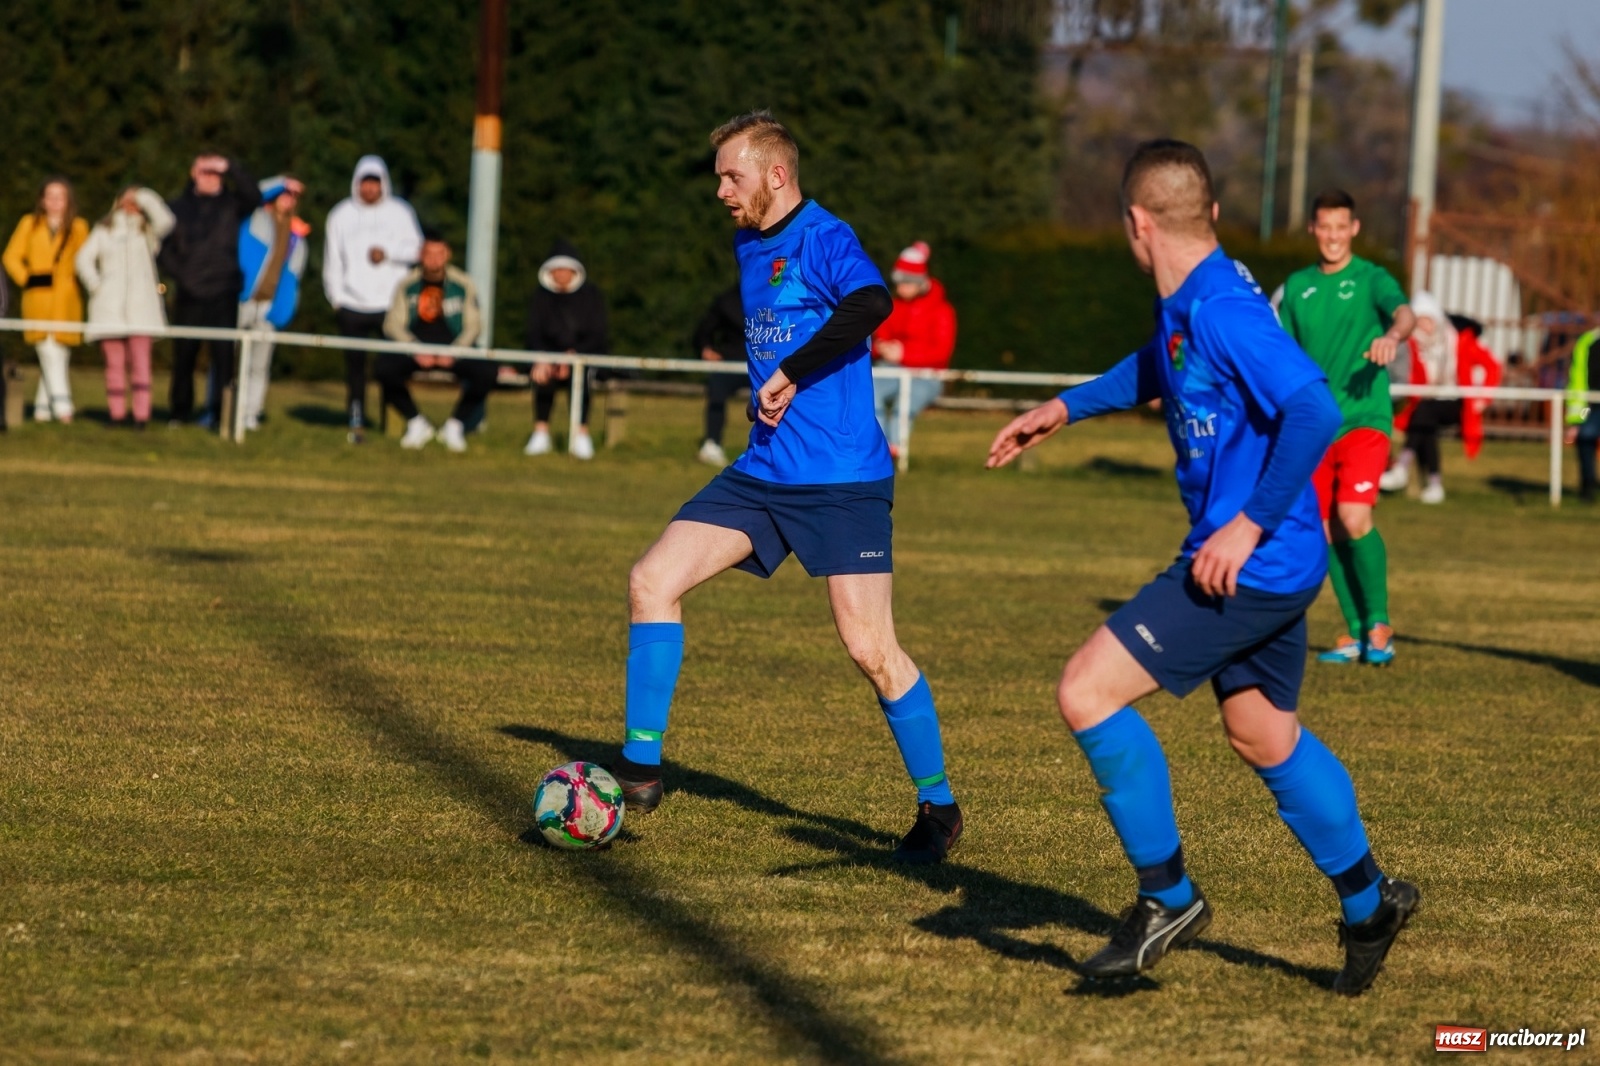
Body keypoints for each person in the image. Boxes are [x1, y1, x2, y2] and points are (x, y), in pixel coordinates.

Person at [985, 140, 1417, 993]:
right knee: (1261, 732)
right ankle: (1371, 903)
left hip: (1247, 566)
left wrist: (1248, 527)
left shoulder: (1220, 307)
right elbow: (1164, 367)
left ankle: (1167, 897)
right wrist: (1067, 407)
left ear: (1136, 225)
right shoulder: (1197, 298)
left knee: (1086, 690)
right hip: (1277, 563)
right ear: (1209, 214)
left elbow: (1313, 406)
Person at [606, 110, 963, 864]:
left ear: (775, 173)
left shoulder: (824, 235)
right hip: (763, 471)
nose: (721, 192)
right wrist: (764, 390)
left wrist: (792, 374)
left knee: (870, 648)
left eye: (731, 176)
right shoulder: (748, 243)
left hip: (842, 480)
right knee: (651, 580)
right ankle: (639, 772)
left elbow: (871, 305)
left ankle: (939, 807)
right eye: (717, 180)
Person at [1277, 189, 1415, 667]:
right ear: (1313, 229)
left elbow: (1404, 314)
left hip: (1363, 419)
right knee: (1325, 529)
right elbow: (1281, 355)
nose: (1333, 236)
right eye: (1324, 227)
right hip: (1315, 426)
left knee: (1354, 514)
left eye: (1342, 227)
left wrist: (1393, 337)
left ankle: (1379, 623)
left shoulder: (1371, 278)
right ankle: (1356, 632)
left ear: (1354, 228)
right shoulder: (1297, 288)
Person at [323, 155, 423, 443]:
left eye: (374, 183)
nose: (369, 189)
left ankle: (395, 422)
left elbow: (418, 250)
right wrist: (337, 299)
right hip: (352, 305)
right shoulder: (340, 214)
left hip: (390, 304)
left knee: (391, 367)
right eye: (364, 183)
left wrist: (388, 252)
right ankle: (357, 422)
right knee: (355, 369)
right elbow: (333, 260)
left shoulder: (400, 212)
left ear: (383, 184)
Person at [158, 154, 262, 428]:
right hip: (189, 295)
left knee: (224, 358)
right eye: (205, 171)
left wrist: (231, 167)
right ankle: (179, 413)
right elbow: (162, 249)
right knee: (184, 357)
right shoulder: (175, 208)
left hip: (224, 293)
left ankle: (221, 414)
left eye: (216, 173)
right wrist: (183, 274)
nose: (210, 177)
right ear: (193, 173)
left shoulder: (232, 204)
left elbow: (254, 195)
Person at [1380, 300, 1501, 504]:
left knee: (1424, 414)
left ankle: (1402, 467)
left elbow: (1493, 366)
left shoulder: (1458, 340)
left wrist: (1483, 399)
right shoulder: (1410, 345)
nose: (1423, 326)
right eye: (1419, 321)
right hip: (1423, 406)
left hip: (1455, 402)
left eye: (1427, 320)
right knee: (1425, 427)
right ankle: (1435, 485)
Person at [75, 186, 175, 428]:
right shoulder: (104, 230)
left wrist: (143, 196)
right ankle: (117, 414)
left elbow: (167, 220)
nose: (131, 204)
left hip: (142, 310)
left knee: (141, 364)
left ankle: (141, 415)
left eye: (136, 201)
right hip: (108, 309)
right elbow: (83, 259)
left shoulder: (148, 231)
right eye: (127, 199)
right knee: (114, 365)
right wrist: (96, 285)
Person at [379, 231, 489, 452]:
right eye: (429, 254)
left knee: (486, 371)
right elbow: (391, 324)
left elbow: (474, 325)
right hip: (416, 348)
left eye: (439, 254)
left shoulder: (463, 283)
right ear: (421, 255)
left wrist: (455, 352)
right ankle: (416, 422)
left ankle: (455, 426)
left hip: (453, 348)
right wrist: (415, 349)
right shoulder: (407, 284)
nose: (434, 259)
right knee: (383, 368)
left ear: (448, 255)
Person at [4, 177, 89, 423]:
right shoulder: (29, 224)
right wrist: (28, 279)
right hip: (38, 298)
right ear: (42, 199)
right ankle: (64, 408)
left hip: (66, 298)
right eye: (49, 196)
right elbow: (11, 257)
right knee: (48, 350)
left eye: (59, 196)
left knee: (58, 353)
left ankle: (42, 409)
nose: (54, 201)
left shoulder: (79, 227)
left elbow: (86, 260)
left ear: (68, 200)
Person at [237, 175, 310, 431]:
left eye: (293, 196)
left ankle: (250, 414)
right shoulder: (256, 220)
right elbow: (255, 190)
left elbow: (294, 277)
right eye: (285, 194)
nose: (289, 199)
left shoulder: (297, 237)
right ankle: (220, 408)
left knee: (259, 365)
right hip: (243, 302)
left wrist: (283, 309)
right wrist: (283, 181)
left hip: (269, 307)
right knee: (229, 361)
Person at [523, 242, 607, 460]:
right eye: (556, 269)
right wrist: (544, 359)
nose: (561, 274)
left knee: (583, 378)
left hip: (583, 358)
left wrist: (574, 356)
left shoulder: (591, 295)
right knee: (542, 378)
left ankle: (581, 434)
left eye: (565, 269)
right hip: (549, 360)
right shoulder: (540, 297)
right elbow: (533, 333)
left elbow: (598, 334)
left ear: (574, 271)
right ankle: (540, 432)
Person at [871, 241, 957, 454]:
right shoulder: (894, 305)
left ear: (920, 282)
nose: (900, 287)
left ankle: (893, 449)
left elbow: (941, 354)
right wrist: (881, 348)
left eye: (906, 282)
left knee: (905, 405)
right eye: (898, 281)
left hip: (928, 375)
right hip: (891, 369)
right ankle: (876, 446)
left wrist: (904, 354)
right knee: (868, 390)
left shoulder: (942, 311)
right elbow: (877, 338)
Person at [690, 284, 744, 466]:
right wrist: (706, 349)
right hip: (731, 364)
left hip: (767, 364)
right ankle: (712, 444)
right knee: (716, 386)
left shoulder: (776, 294)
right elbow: (703, 331)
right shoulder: (727, 300)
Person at [1564, 326, 1600, 502]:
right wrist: (1575, 419)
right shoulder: (1587, 341)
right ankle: (1588, 483)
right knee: (1585, 438)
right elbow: (1577, 378)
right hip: (1589, 405)